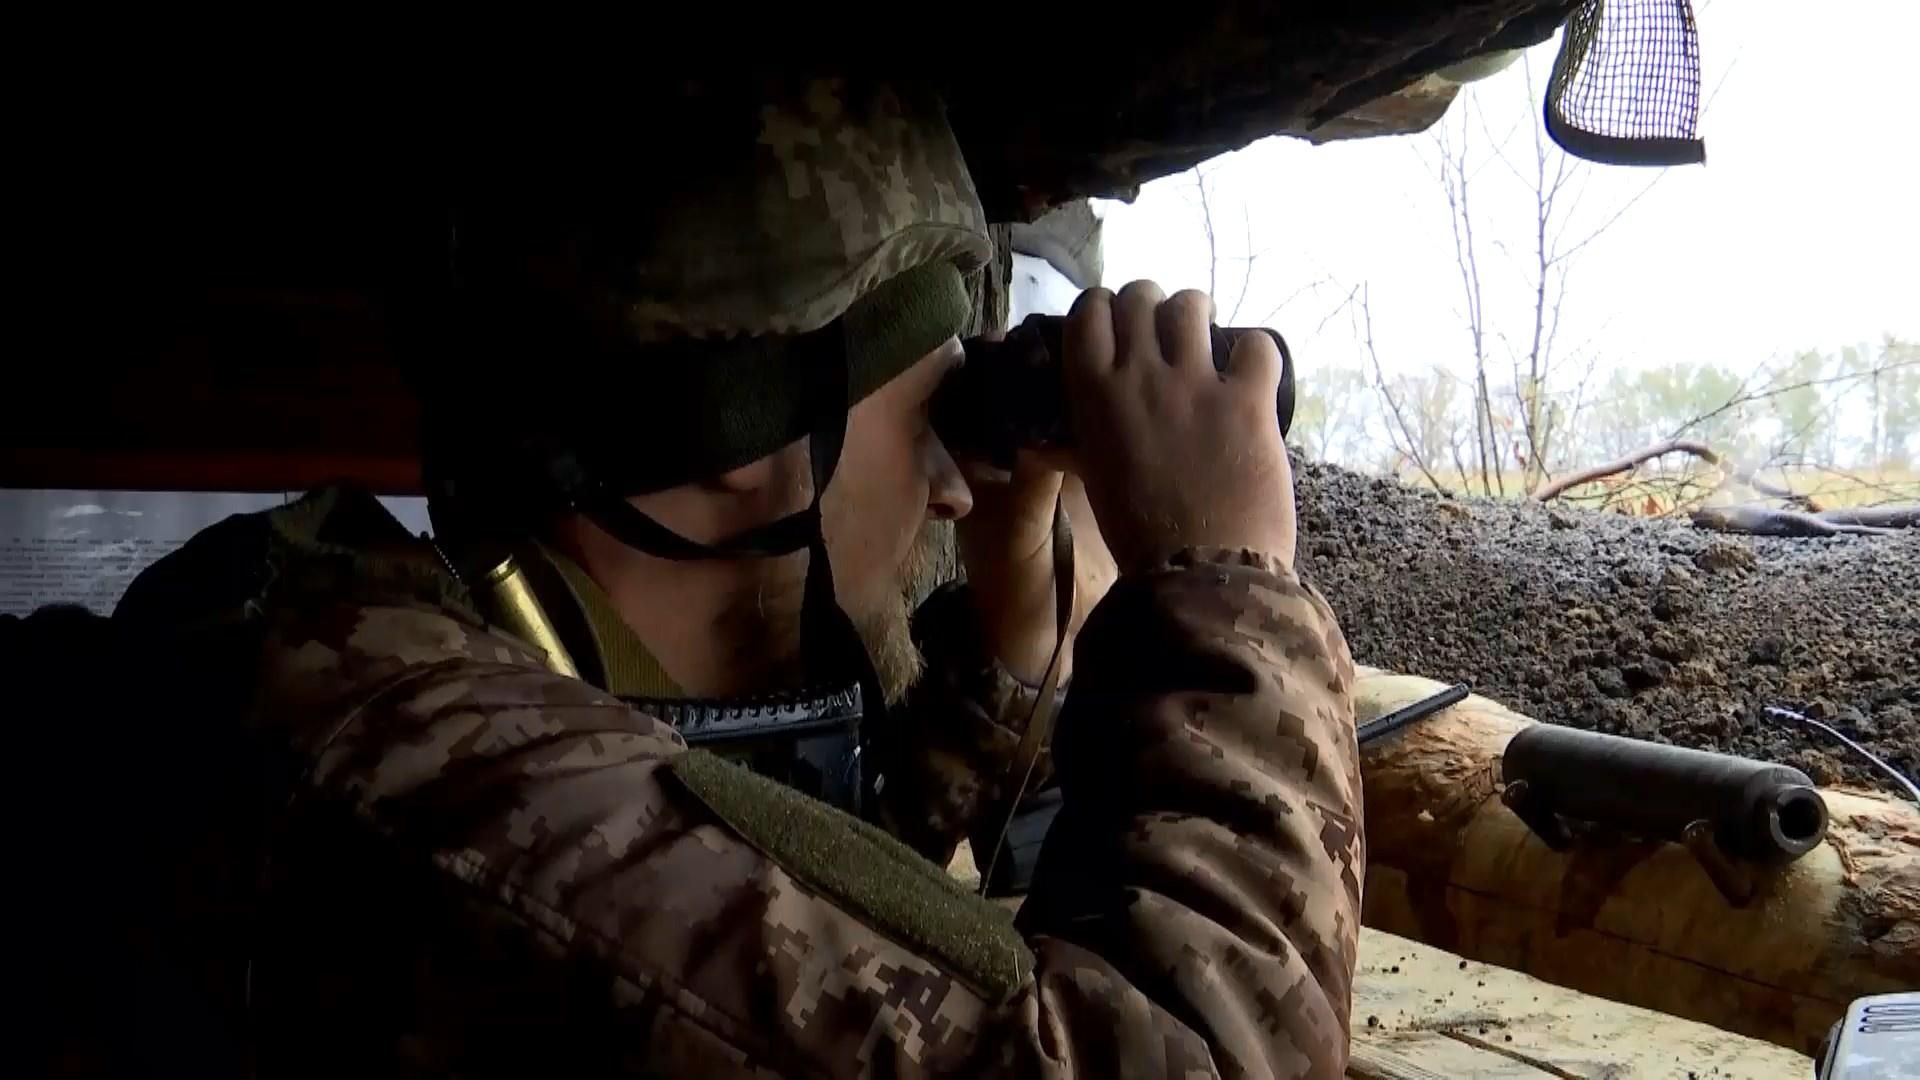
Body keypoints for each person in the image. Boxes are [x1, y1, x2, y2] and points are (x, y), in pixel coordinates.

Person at [112, 79, 1362, 1078]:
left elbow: (789, 913)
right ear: (741, 443)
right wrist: (1230, 587)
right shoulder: (421, 789)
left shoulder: (446, 682)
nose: (953, 486)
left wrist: (1005, 646)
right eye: (935, 412)